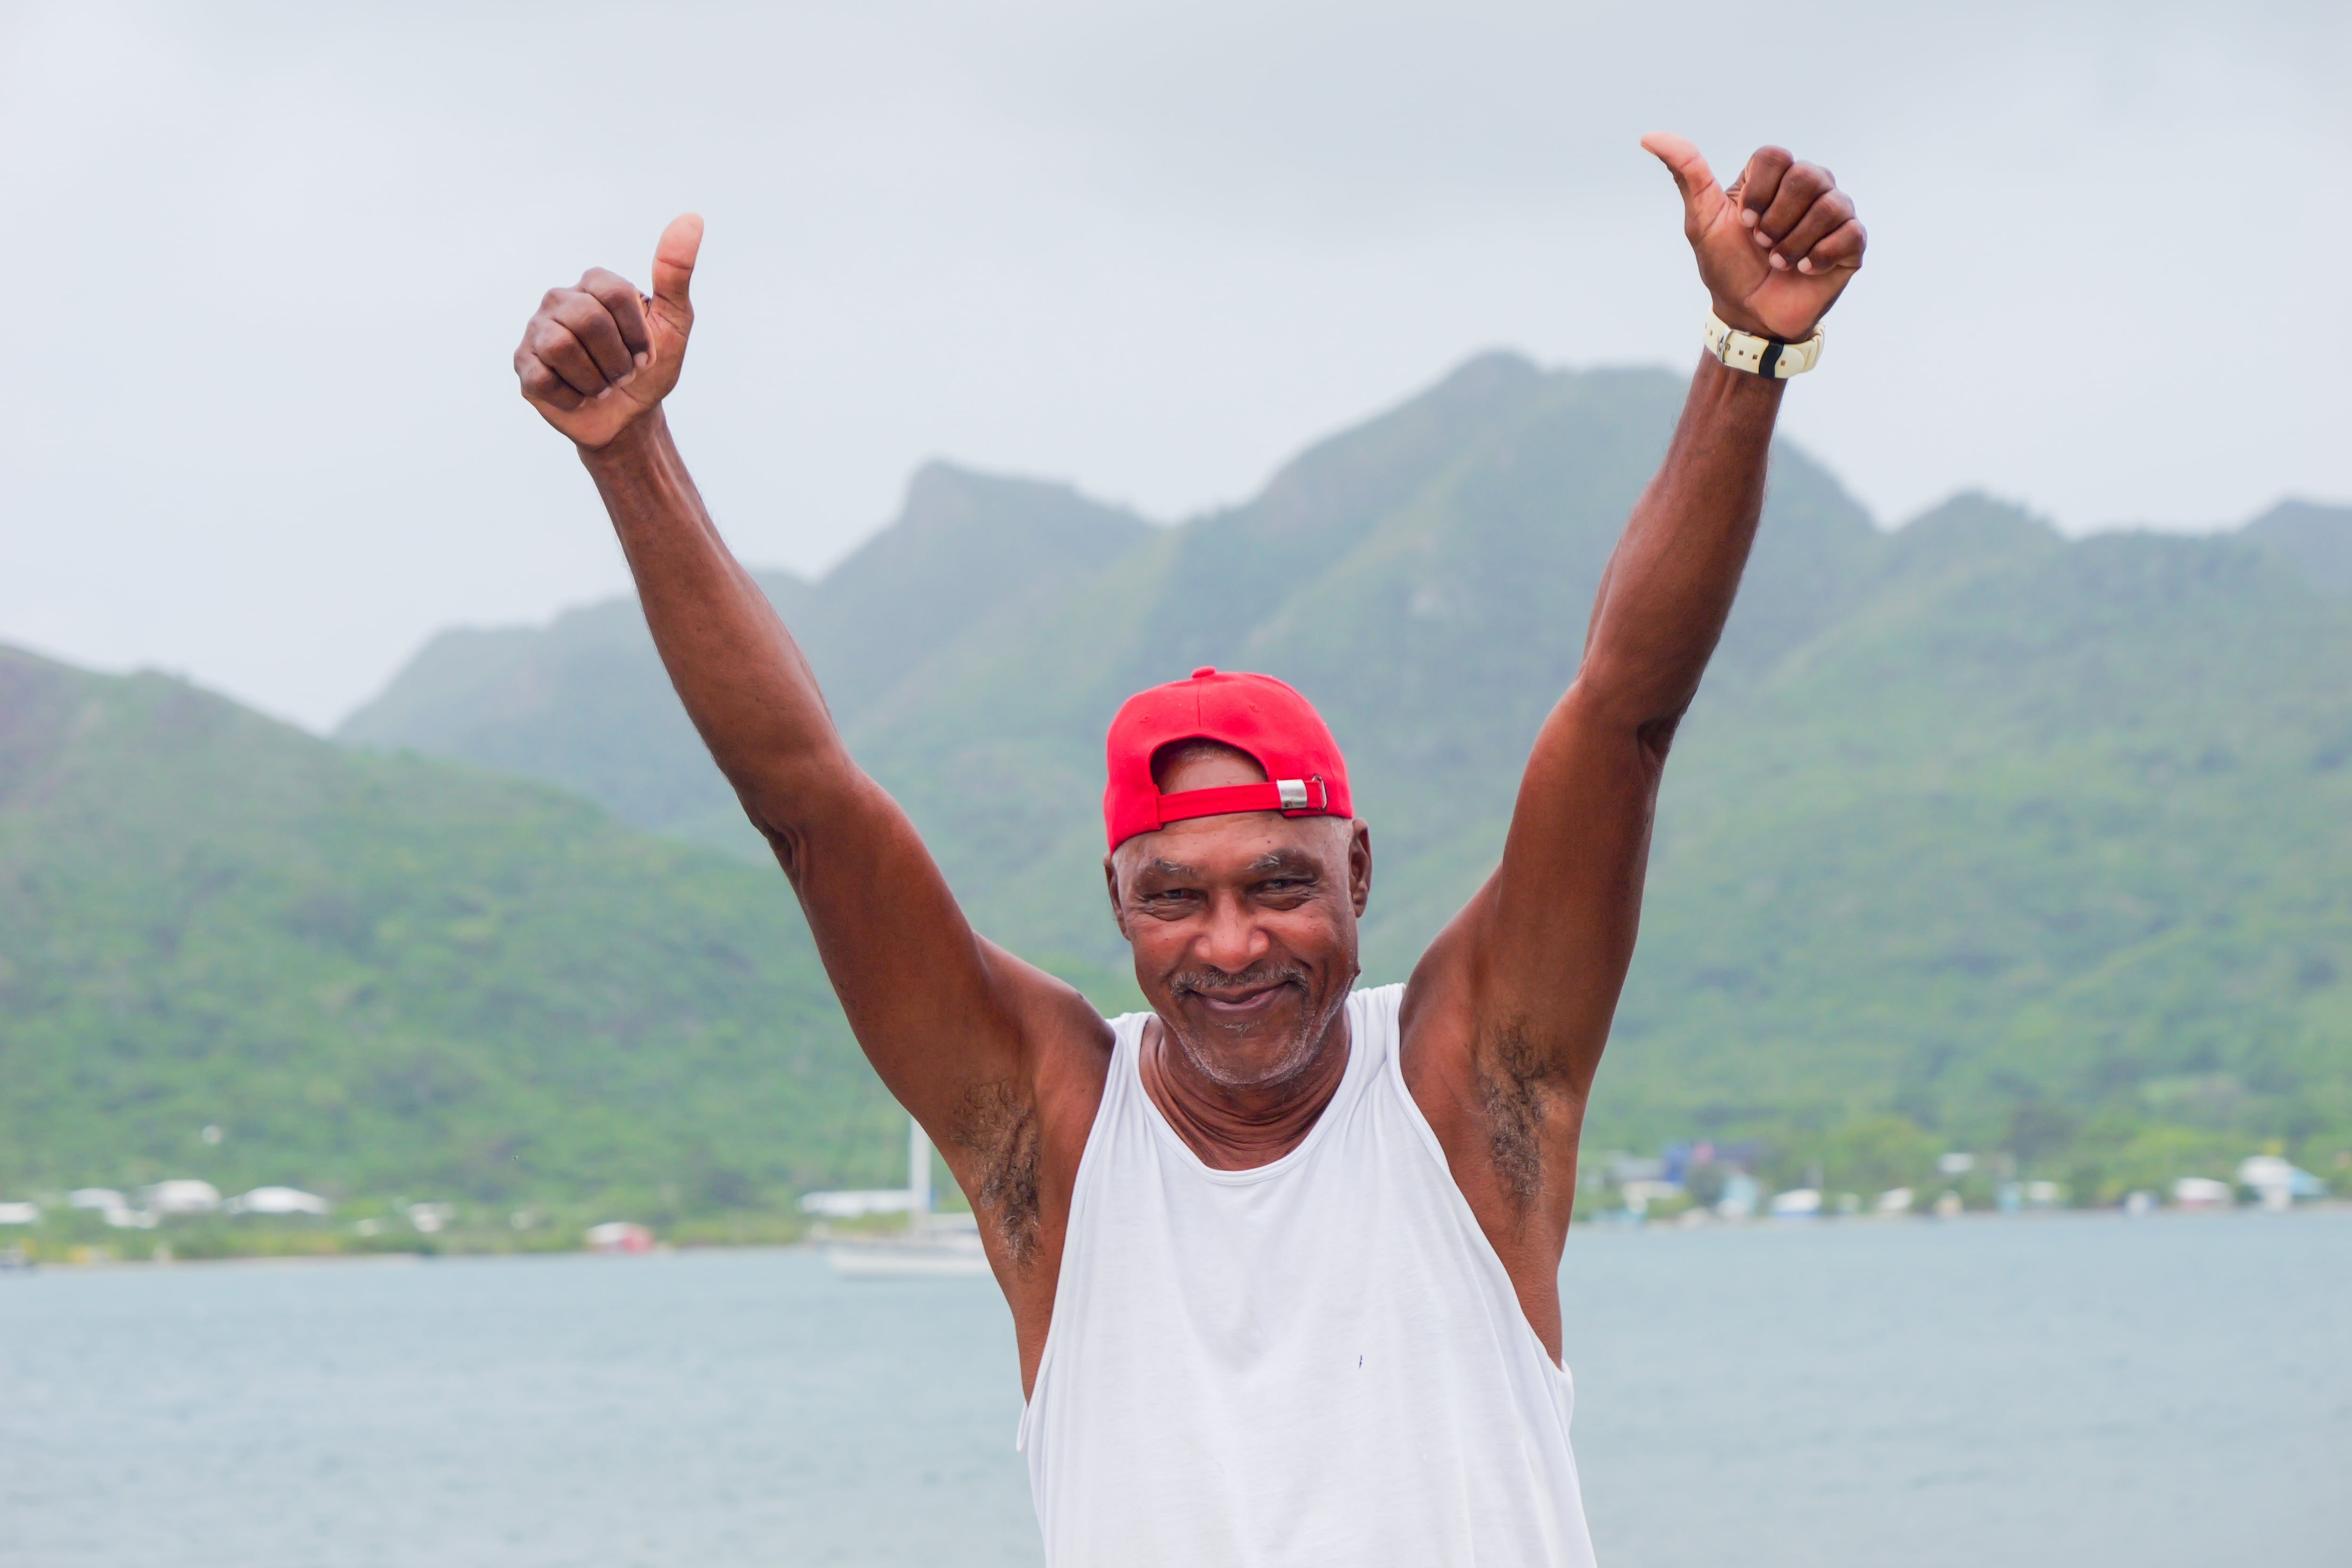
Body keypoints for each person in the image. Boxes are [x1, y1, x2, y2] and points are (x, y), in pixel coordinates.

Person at [514, 131, 1864, 1567]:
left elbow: (1627, 717)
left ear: (1358, 875)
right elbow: (805, 806)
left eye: (1280, 882)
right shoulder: (1052, 1132)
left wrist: (1745, 357)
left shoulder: (1472, 1087)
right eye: (1177, 898)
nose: (1233, 945)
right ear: (1119, 906)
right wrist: (630, 456)